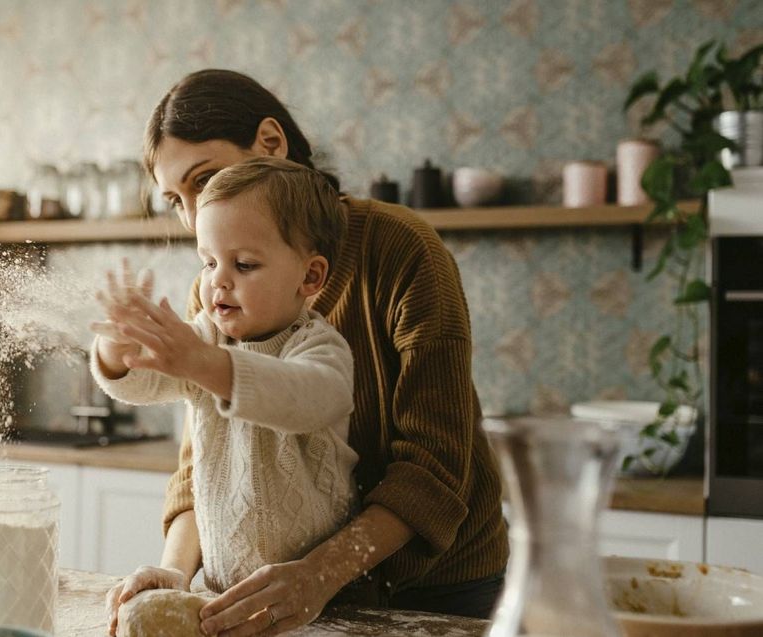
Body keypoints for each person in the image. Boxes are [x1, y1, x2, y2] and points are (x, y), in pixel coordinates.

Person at [106, 69, 509, 637]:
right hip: (285, 591)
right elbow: (205, 461)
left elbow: (434, 463)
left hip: (438, 584)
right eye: (177, 199)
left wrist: (321, 575)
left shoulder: (402, 249)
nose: (197, 217)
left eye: (207, 179)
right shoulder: (218, 291)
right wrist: (175, 571)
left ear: (272, 143)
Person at [91, 157, 360, 628]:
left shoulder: (321, 348)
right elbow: (143, 382)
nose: (218, 279)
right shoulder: (206, 340)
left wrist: (204, 363)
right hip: (216, 594)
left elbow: (306, 397)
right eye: (209, 261)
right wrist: (117, 346)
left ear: (310, 277)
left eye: (244, 264)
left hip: (315, 605)